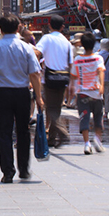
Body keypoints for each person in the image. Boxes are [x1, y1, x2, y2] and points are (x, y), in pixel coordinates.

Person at [0, 14, 44, 183]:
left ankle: (8, 172)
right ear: (18, 28)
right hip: (22, 93)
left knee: (4, 132)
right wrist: (38, 97)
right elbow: (34, 73)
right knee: (23, 132)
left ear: (0, 29)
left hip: (2, 92)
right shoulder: (26, 48)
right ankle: (24, 169)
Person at [35, 15, 73, 148]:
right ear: (62, 27)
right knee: (56, 107)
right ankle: (51, 138)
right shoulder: (67, 42)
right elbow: (71, 63)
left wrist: (36, 68)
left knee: (50, 108)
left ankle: (62, 133)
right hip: (63, 78)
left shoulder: (47, 38)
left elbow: (36, 53)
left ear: (50, 26)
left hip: (50, 78)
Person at [69, 32, 105, 155]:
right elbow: (101, 71)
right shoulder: (98, 58)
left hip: (82, 93)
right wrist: (102, 86)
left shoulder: (77, 60)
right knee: (98, 117)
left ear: (82, 45)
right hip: (96, 93)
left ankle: (86, 144)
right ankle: (97, 139)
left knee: (84, 118)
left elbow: (73, 76)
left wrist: (72, 89)